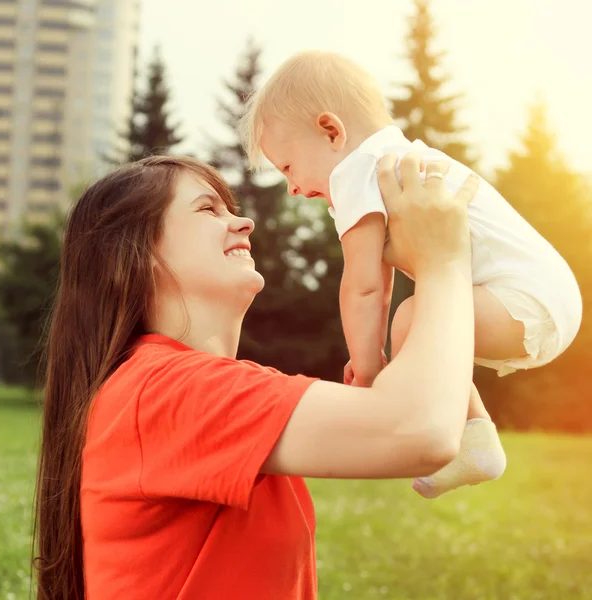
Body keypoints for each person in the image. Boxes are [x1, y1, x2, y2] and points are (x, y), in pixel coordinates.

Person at [34, 152, 478, 600]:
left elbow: (412, 420)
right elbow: (422, 433)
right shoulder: (164, 388)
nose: (243, 223)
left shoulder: (192, 385)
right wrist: (444, 261)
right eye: (208, 209)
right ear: (132, 254)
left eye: (231, 208)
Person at [239, 50, 583, 499]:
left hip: (526, 300)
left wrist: (366, 372)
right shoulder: (395, 159)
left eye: (288, 166)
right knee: (420, 320)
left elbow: (365, 286)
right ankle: (475, 440)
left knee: (411, 321)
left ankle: (474, 438)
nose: (293, 187)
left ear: (331, 131)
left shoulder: (358, 170)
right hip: (550, 295)